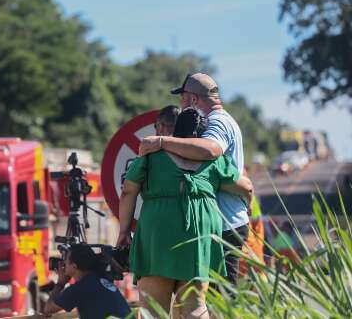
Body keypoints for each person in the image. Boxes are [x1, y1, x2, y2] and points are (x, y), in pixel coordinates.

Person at [117, 108, 252, 318]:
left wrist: (123, 232)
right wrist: (248, 205)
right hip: (198, 236)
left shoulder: (152, 156)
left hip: (157, 234)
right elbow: (245, 187)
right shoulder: (214, 159)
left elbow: (128, 191)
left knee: (152, 311)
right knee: (195, 307)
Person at [139, 73, 251, 283]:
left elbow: (210, 150)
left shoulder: (217, 122)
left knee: (221, 299)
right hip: (227, 220)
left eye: (182, 99)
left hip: (223, 224)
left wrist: (162, 142)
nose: (181, 106)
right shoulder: (225, 120)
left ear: (193, 99)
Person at [44, 244, 131, 319]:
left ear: (74, 266)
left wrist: (60, 283)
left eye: (65, 260)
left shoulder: (79, 288)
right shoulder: (99, 278)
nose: (63, 263)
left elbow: (48, 309)